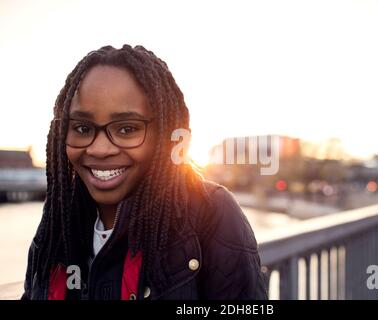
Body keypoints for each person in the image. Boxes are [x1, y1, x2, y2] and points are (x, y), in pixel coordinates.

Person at [21, 45, 268, 300]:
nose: (100, 148)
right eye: (82, 128)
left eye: (127, 129)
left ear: (164, 134)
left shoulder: (211, 212)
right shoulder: (57, 221)